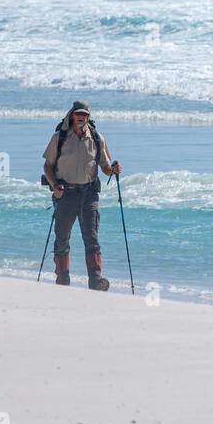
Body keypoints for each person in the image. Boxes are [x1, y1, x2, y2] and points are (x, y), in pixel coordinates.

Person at [41, 100, 122, 290]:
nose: (81, 117)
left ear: (88, 117)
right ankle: (62, 279)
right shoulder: (59, 137)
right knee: (62, 238)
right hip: (66, 194)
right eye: (78, 114)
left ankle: (95, 280)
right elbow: (47, 166)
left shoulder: (97, 137)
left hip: (89, 194)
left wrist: (114, 170)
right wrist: (55, 186)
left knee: (91, 238)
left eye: (84, 115)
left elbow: (106, 168)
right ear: (71, 115)